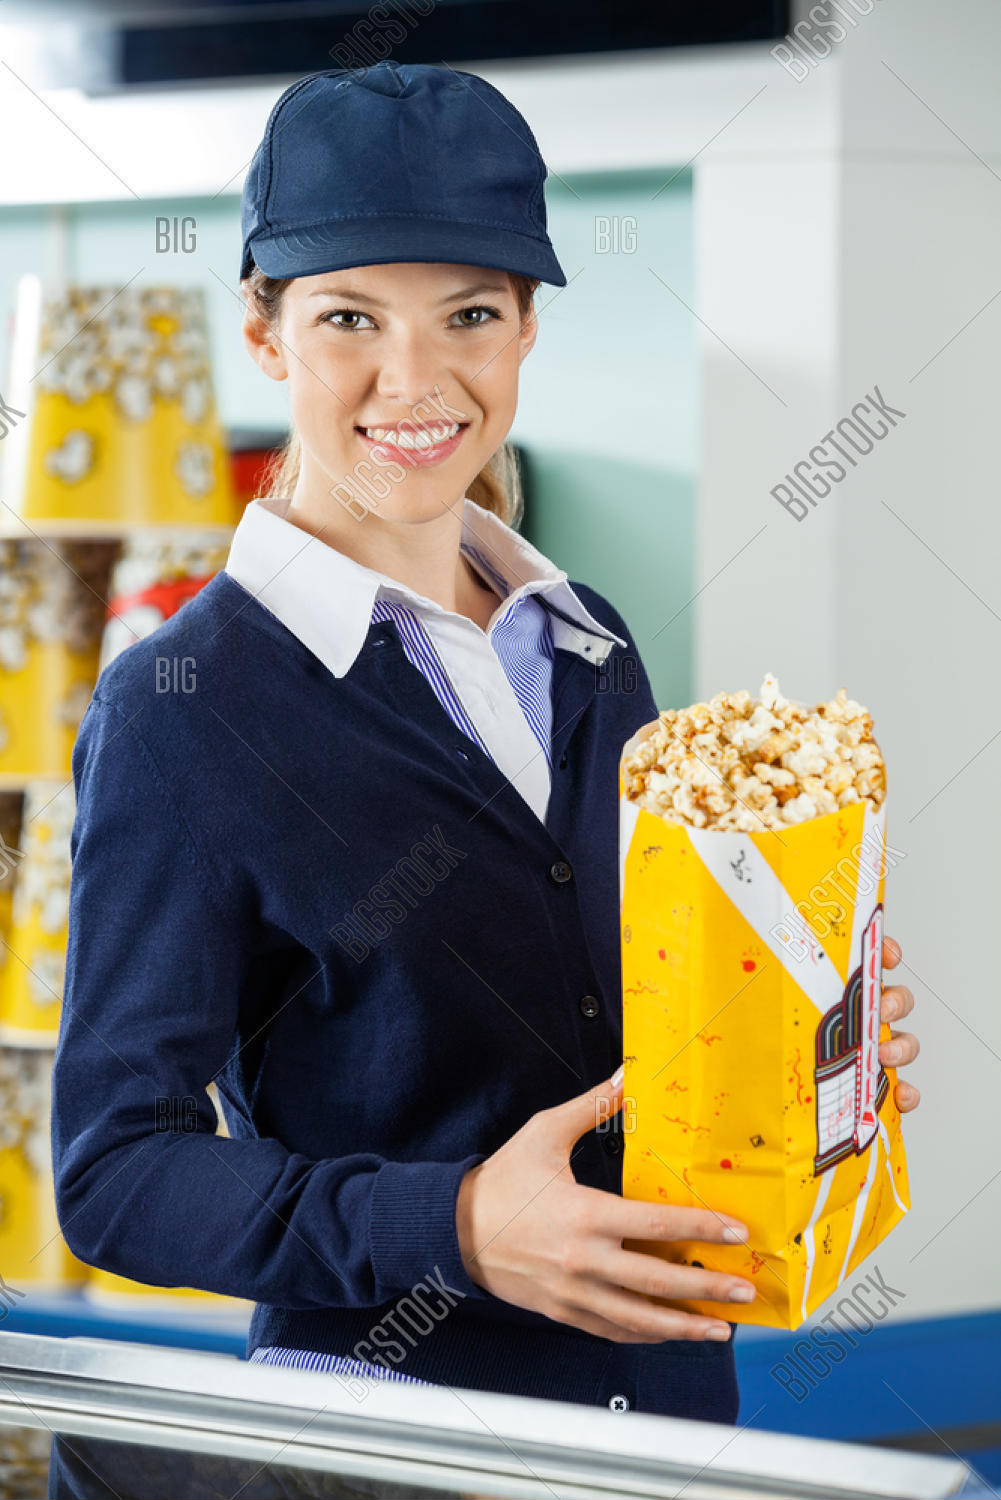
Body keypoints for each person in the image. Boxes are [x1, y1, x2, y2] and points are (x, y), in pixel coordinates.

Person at [50, 63, 921, 1425]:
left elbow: (632, 1018)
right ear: (266, 333)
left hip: (668, 1410)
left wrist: (801, 1034)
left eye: (469, 315)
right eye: (349, 318)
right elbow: (116, 1175)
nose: (414, 380)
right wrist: (453, 1225)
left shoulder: (588, 643)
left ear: (523, 331)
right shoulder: (182, 709)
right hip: (394, 1449)